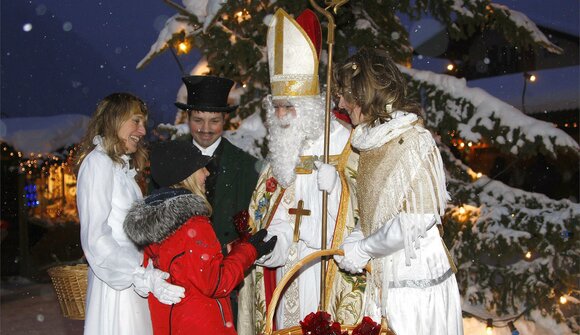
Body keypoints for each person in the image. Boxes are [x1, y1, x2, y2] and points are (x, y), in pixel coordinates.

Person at [237, 9, 363, 334]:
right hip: (285, 270)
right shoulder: (283, 149)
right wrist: (269, 248)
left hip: (325, 268)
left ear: (308, 106)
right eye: (276, 106)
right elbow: (272, 213)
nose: (280, 116)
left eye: (288, 107)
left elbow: (367, 210)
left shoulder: (345, 143)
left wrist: (337, 188)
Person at [333, 48, 464, 335]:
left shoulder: (413, 141)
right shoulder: (370, 141)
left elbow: (417, 219)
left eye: (345, 94)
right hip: (386, 280)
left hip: (415, 289)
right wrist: (353, 243)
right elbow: (372, 214)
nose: (340, 103)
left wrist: (364, 249)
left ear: (364, 94)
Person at [123, 140, 277, 335]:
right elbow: (216, 283)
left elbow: (187, 272)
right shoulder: (193, 225)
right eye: (200, 168)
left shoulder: (154, 226)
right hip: (201, 325)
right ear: (185, 175)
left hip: (173, 324)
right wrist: (249, 251)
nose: (207, 173)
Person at [75, 93, 185, 335]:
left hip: (134, 282)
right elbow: (96, 238)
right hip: (116, 287)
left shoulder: (120, 167)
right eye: (135, 121)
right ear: (114, 120)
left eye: (143, 123)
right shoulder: (98, 164)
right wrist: (138, 275)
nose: (142, 130)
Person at [174, 75, 260, 323]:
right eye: (198, 120)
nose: (205, 129)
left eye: (214, 121)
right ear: (187, 118)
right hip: (181, 283)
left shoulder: (245, 165)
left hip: (227, 284)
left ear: (225, 120)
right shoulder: (170, 162)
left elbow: (252, 222)